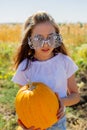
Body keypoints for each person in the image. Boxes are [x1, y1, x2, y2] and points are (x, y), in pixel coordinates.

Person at [12, 11, 80, 130]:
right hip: (35, 125)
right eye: (38, 38)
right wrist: (25, 124)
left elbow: (75, 95)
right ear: (30, 40)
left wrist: (62, 102)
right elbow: (24, 101)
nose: (46, 44)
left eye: (50, 37)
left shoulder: (65, 62)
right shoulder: (25, 67)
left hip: (58, 123)